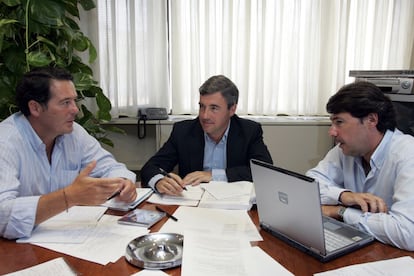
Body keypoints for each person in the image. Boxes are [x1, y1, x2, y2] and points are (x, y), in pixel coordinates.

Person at [0, 67, 137, 239]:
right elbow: (2, 214)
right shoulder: (5, 142)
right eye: (65, 103)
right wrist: (68, 197)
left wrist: (123, 183)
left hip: (66, 238)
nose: (75, 110)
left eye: (74, 101)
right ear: (35, 108)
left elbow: (110, 167)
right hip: (14, 252)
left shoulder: (73, 133)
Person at [306, 81, 414, 251]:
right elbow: (307, 186)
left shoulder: (408, 154)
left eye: (339, 122)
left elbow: (408, 232)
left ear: (371, 120)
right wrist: (344, 195)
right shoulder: (345, 151)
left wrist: (341, 212)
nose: (332, 132)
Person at [141, 75, 273, 195]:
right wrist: (158, 181)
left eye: (214, 108)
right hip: (193, 206)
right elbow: (150, 167)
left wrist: (213, 175)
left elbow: (264, 172)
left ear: (232, 109)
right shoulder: (183, 131)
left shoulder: (249, 131)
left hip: (235, 205)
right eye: (202, 106)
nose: (204, 116)